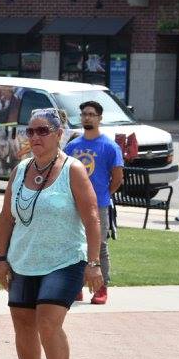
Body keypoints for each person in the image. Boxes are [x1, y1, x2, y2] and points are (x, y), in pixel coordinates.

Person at [0, 108, 102, 359]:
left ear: (59, 135)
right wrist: (1, 258)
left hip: (64, 259)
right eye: (31, 131)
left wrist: (93, 263)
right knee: (23, 323)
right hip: (22, 259)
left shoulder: (73, 169)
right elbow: (5, 217)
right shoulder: (20, 170)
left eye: (43, 131)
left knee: (48, 322)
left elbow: (92, 217)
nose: (35, 137)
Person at [63, 100, 123, 305]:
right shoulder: (72, 146)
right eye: (84, 114)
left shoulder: (109, 146)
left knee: (99, 246)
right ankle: (75, 287)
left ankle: (100, 288)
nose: (87, 117)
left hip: (99, 205)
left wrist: (102, 195)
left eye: (91, 114)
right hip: (73, 203)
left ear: (99, 118)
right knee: (74, 244)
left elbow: (117, 178)